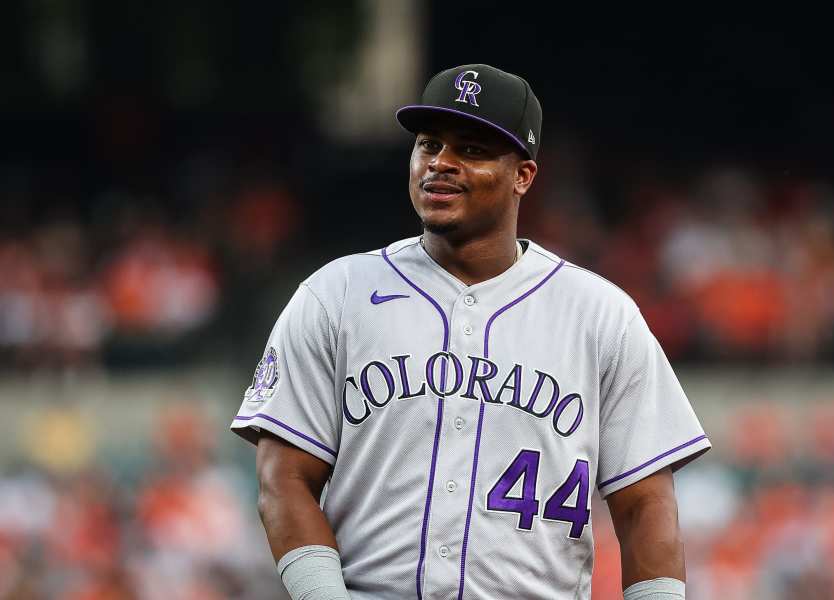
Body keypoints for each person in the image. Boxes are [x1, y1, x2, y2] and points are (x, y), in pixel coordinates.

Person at [231, 63, 710, 600]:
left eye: (473, 150)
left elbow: (645, 504)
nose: (440, 163)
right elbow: (283, 476)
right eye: (429, 145)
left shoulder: (600, 315)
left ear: (523, 176)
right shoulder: (336, 295)